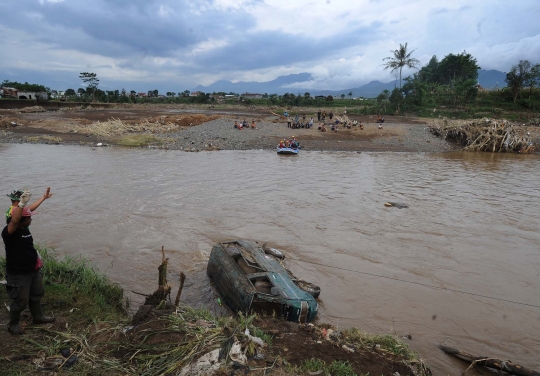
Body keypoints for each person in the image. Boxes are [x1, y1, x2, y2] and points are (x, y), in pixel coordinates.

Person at [2, 188, 55, 335]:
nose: (31, 219)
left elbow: (27, 211)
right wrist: (20, 205)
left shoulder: (24, 228)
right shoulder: (9, 232)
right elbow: (15, 219)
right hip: (18, 274)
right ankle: (13, 324)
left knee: (36, 293)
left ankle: (38, 317)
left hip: (32, 269)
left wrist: (43, 198)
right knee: (20, 300)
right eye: (29, 218)